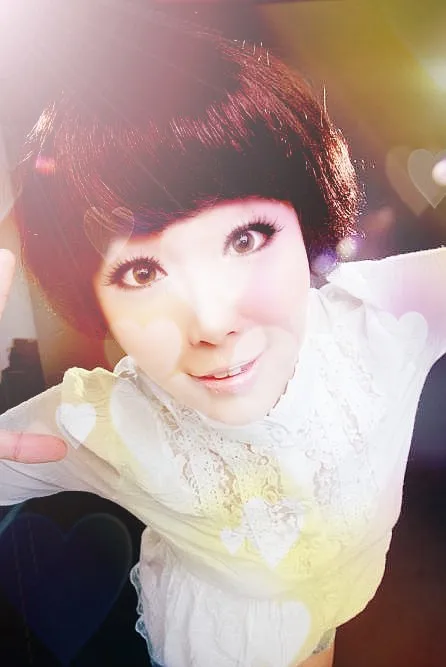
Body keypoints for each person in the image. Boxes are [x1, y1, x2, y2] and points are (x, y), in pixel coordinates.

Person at [0, 8, 445, 667]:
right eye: (142, 271)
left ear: (304, 223)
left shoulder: (384, 316)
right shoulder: (100, 423)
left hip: (338, 597)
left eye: (245, 238)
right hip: (226, 639)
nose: (212, 323)